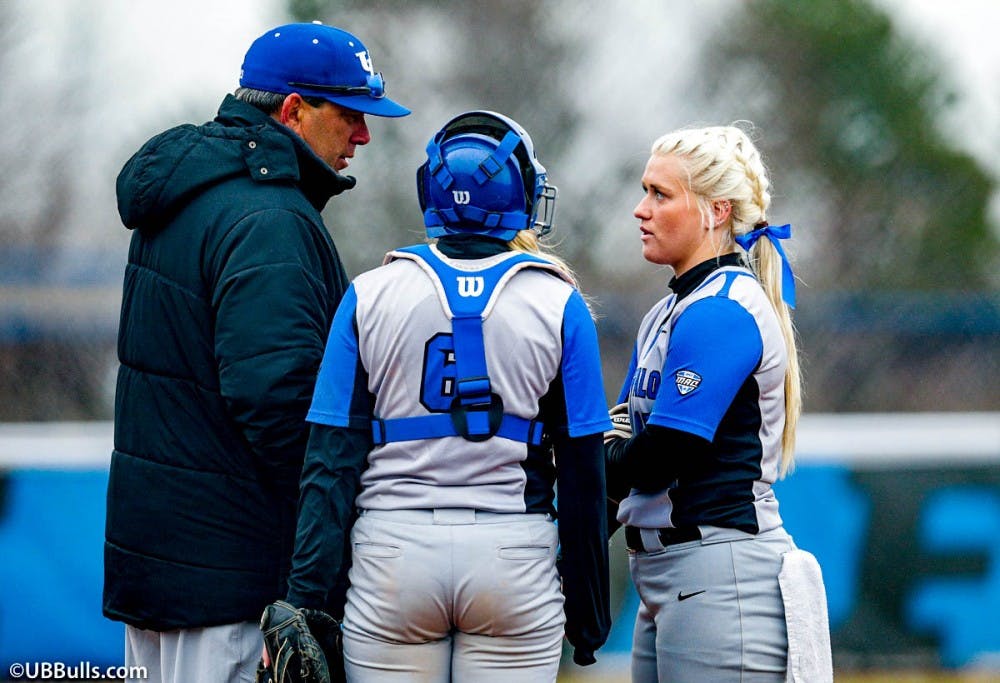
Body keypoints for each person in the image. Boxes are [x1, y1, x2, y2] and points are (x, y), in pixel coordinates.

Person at [103, 21, 409, 683]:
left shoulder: (193, 195)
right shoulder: (268, 215)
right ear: (294, 109)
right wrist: (329, 551)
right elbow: (282, 404)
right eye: (351, 114)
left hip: (168, 570)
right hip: (237, 585)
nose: (363, 134)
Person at [266, 110, 612, 682]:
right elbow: (583, 473)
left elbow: (329, 463)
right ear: (517, 193)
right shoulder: (559, 302)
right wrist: (590, 614)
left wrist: (307, 598)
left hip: (394, 553)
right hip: (511, 553)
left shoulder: (369, 293)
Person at [604, 124, 832, 682]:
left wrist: (577, 449)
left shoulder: (723, 309)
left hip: (720, 573)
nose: (641, 209)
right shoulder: (668, 312)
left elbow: (656, 459)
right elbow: (618, 448)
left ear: (716, 210)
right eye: (645, 190)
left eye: (661, 194)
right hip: (673, 574)